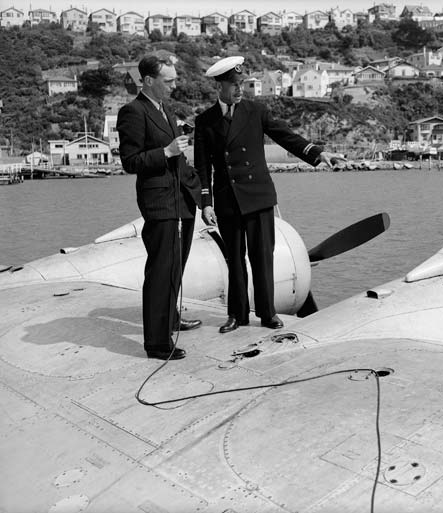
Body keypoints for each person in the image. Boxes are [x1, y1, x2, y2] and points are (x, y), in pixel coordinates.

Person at [195, 55, 345, 333]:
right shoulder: (205, 121)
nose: (240, 90)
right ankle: (237, 315)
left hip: (259, 197)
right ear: (219, 87)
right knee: (235, 260)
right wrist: (206, 203)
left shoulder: (256, 111)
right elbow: (203, 167)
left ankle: (267, 313)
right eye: (234, 85)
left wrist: (317, 153)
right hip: (228, 200)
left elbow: (285, 135)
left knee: (262, 257)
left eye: (241, 84)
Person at [117, 51, 202, 360]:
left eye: (175, 79)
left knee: (175, 269)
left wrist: (201, 196)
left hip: (183, 200)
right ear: (149, 81)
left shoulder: (164, 108)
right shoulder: (133, 112)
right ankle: (157, 343)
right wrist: (165, 152)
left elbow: (177, 157)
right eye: (169, 81)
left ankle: (171, 319)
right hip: (160, 203)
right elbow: (130, 161)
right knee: (160, 272)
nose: (174, 85)